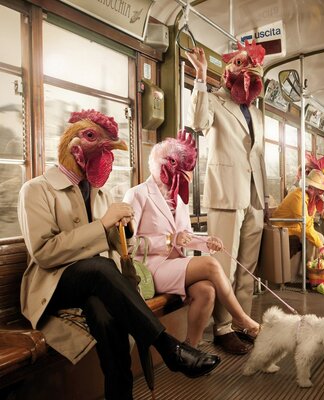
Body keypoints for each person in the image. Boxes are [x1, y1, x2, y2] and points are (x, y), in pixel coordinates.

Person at [18, 110, 219, 400]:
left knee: (105, 315)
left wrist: (122, 229)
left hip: (93, 285)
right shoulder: (35, 190)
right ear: (74, 146)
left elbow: (109, 244)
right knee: (98, 268)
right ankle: (168, 348)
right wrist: (101, 224)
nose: (107, 145)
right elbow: (44, 254)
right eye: (91, 137)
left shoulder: (97, 193)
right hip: (51, 286)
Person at [123, 131, 260, 349]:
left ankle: (190, 350)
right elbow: (128, 244)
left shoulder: (179, 198)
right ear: (165, 165)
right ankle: (241, 319)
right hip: (150, 269)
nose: (187, 175)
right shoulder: (137, 194)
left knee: (206, 291)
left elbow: (184, 236)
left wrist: (207, 242)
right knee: (209, 264)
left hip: (174, 266)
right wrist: (168, 241)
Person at [187, 41, 268, 355]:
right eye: (237, 63)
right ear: (225, 72)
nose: (243, 69)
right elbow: (197, 122)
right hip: (225, 192)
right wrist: (200, 76)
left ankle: (240, 322)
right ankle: (221, 329)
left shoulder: (255, 112)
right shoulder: (213, 101)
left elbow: (256, 155)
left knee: (247, 267)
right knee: (225, 265)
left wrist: (265, 200)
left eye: (248, 64)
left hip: (254, 195)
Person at [272, 169, 324, 261]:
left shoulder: (311, 199)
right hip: (281, 229)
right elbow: (306, 227)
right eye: (320, 190)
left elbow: (309, 223)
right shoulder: (298, 197)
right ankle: (310, 268)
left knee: (319, 237)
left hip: (295, 228)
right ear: (311, 188)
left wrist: (319, 244)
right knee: (315, 239)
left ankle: (316, 266)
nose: (322, 193)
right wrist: (320, 246)